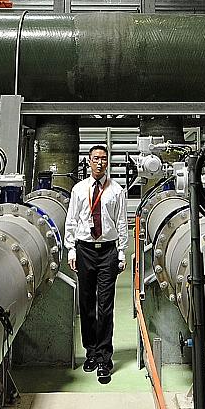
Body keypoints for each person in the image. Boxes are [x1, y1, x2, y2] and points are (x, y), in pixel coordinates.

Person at [65, 144, 127, 383]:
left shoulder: (117, 191)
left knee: (106, 305)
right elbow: (71, 220)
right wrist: (71, 249)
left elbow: (121, 222)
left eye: (103, 159)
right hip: (85, 250)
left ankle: (104, 358)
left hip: (108, 252)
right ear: (89, 162)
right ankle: (90, 352)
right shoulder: (80, 189)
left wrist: (122, 253)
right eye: (95, 159)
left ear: (107, 162)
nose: (100, 163)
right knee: (87, 302)